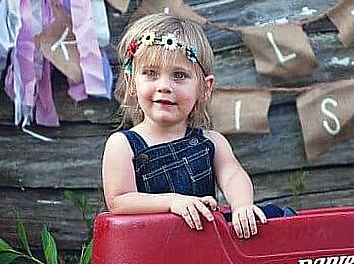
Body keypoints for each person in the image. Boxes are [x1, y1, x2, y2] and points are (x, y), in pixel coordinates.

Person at [102, 13, 291, 238]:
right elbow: (119, 201)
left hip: (204, 242)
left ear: (204, 88)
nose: (164, 86)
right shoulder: (123, 145)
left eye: (179, 75)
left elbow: (233, 175)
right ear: (132, 81)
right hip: (151, 247)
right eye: (151, 73)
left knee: (275, 216)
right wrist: (173, 202)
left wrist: (242, 206)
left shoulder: (211, 142)